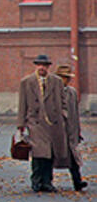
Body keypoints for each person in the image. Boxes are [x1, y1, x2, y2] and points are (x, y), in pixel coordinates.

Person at [16, 53, 70, 193]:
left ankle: (47, 181)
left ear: (48, 67)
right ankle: (36, 181)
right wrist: (21, 123)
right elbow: (22, 103)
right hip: (35, 122)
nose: (42, 68)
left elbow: (64, 102)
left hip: (53, 122)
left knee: (50, 154)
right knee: (38, 152)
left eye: (44, 65)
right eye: (39, 65)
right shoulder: (27, 82)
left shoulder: (56, 81)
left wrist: (63, 116)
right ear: (36, 66)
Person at [54, 63, 87, 192]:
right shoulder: (53, 92)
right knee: (53, 157)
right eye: (63, 77)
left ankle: (77, 181)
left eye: (67, 77)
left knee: (73, 158)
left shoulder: (72, 92)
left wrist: (77, 131)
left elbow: (75, 113)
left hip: (71, 130)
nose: (65, 80)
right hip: (58, 131)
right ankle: (47, 181)